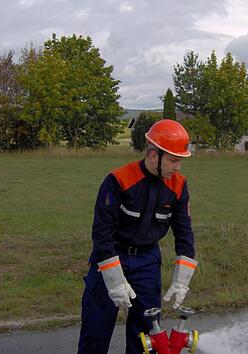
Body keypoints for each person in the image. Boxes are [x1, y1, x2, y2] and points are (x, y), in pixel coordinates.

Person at [78, 119, 198, 354]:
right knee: (96, 330)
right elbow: (102, 235)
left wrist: (182, 280)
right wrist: (114, 280)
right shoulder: (118, 180)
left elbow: (184, 233)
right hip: (110, 257)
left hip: (147, 262)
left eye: (180, 161)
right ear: (154, 155)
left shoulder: (179, 186)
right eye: (173, 160)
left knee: (147, 336)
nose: (178, 167)